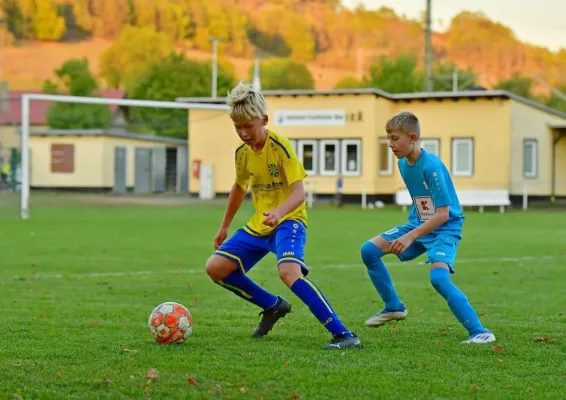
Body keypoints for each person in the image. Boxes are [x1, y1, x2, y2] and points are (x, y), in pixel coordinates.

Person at [204, 81, 362, 350]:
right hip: (260, 226)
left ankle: (344, 335)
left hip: (289, 221)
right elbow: (239, 188)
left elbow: (300, 193)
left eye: (248, 126)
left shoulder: (281, 147)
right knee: (215, 268)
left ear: (264, 120)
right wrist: (223, 227)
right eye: (237, 127)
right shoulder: (242, 154)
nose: (243, 133)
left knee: (289, 272)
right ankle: (273, 306)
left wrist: (279, 212)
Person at [360, 111, 496, 344]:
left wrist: (411, 237)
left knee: (439, 279)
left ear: (412, 138)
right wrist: (413, 230)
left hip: (445, 228)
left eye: (395, 138)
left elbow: (443, 214)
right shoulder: (403, 164)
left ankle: (480, 332)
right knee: (369, 251)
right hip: (419, 223)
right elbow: (423, 202)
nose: (390, 144)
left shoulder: (431, 166)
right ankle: (393, 306)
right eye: (388, 138)